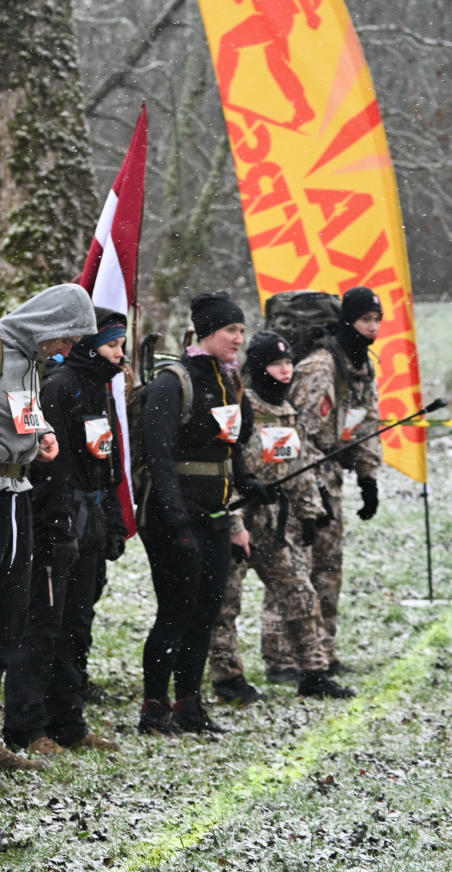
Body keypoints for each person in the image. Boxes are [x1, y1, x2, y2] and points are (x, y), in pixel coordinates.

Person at [0, 284, 97, 771]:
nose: (69, 350)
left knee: (7, 620)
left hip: (18, 498)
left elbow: (17, 409)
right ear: (49, 322)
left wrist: (44, 432)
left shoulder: (34, 361)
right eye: (69, 337)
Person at [136, 292, 274, 735]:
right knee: (175, 611)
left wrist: (249, 485)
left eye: (240, 330)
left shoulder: (230, 383)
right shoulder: (172, 383)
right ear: (207, 333)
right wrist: (177, 520)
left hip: (216, 516)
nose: (239, 338)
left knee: (206, 612)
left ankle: (189, 705)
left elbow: (232, 449)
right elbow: (157, 457)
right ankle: (153, 708)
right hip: (170, 516)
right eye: (231, 330)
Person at [3, 309, 129, 755]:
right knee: (43, 627)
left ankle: (69, 721)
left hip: (90, 523)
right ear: (91, 345)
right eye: (113, 345)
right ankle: (26, 725)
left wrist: (114, 522)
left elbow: (107, 463)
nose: (121, 354)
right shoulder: (60, 386)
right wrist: (58, 528)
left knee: (78, 625)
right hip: (59, 525)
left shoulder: (102, 390)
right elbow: (52, 468)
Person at [208, 332, 355, 702]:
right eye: (277, 363)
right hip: (238, 520)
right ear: (259, 367)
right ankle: (228, 679)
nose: (286, 369)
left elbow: (302, 465)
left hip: (275, 524)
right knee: (226, 603)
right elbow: (226, 464)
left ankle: (314, 672)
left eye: (289, 362)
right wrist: (240, 503)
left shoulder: (289, 412)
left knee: (301, 594)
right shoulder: (240, 407)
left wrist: (309, 512)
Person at [265, 286, 383, 681]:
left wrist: (368, 476)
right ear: (348, 321)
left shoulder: (360, 367)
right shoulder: (319, 367)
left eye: (377, 320)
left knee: (329, 569)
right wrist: (312, 493)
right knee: (294, 569)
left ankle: (323, 652)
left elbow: (367, 421)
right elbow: (300, 432)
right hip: (301, 482)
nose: (374, 328)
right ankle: (282, 657)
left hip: (331, 480)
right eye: (367, 320)